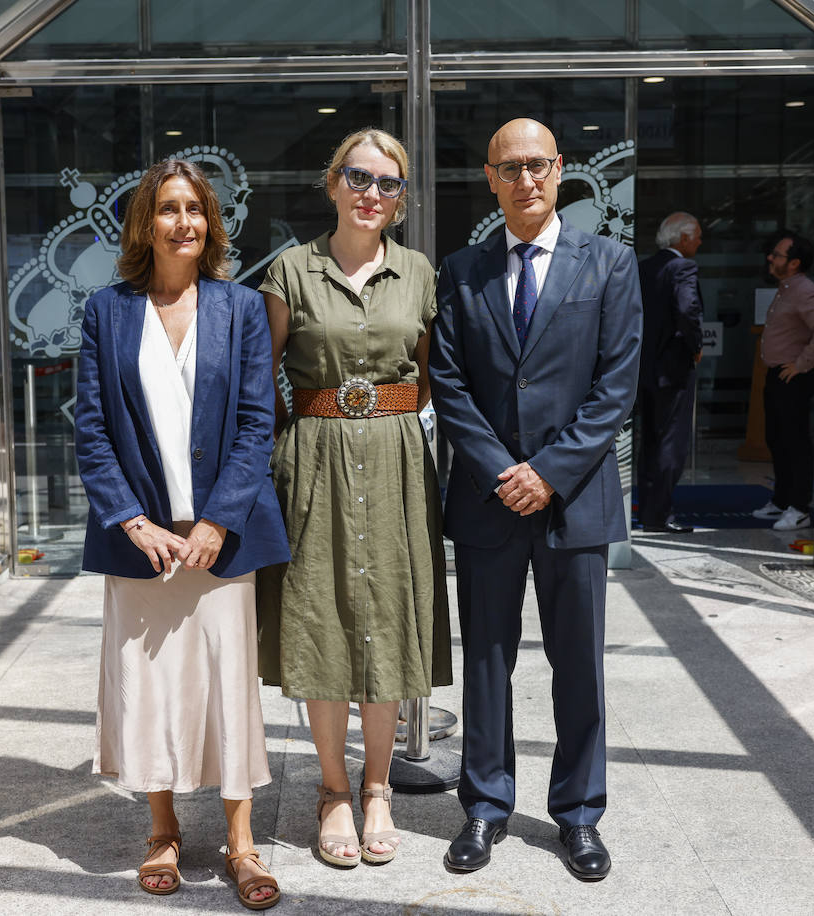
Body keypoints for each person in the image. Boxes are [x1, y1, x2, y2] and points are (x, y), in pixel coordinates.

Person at [74, 159, 289, 910]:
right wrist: (133, 522)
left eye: (195, 208)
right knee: (150, 683)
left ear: (210, 222)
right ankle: (162, 829)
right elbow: (92, 430)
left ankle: (240, 840)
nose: (183, 222)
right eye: (167, 208)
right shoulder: (107, 311)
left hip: (220, 541)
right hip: (142, 546)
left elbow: (259, 423)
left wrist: (217, 520)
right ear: (145, 223)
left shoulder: (240, 309)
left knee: (228, 687)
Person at [430, 118, 641, 881]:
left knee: (577, 662)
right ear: (489, 177)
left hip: (574, 500)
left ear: (560, 170)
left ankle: (579, 815)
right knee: (488, 661)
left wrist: (547, 471)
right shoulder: (460, 269)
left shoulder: (610, 264)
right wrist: (501, 470)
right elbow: (447, 385)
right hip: (489, 503)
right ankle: (485, 807)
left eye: (538, 166)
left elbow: (616, 384)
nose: (525, 180)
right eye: (509, 167)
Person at [257, 127, 450, 869]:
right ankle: (333, 790)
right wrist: (304, 440)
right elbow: (262, 377)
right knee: (322, 619)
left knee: (389, 618)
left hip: (398, 458)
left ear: (401, 200)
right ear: (333, 183)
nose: (374, 194)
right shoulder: (290, 271)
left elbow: (428, 375)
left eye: (390, 184)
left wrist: (384, 418)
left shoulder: (418, 271)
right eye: (361, 178)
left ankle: (377, 788)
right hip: (314, 458)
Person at [636, 212, 704, 534]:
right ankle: (659, 515)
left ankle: (648, 510)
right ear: (683, 238)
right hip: (673, 368)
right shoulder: (683, 267)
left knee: (649, 441)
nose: (701, 242)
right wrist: (695, 344)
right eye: (698, 236)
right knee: (671, 443)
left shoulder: (645, 267)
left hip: (645, 369)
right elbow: (688, 310)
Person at [751, 231, 814, 532]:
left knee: (795, 443)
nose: (771, 257)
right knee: (777, 440)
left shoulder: (804, 291)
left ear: (794, 263)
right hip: (777, 375)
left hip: (793, 378)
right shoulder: (786, 288)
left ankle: (799, 507)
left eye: (777, 255)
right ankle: (781, 501)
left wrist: (801, 364)